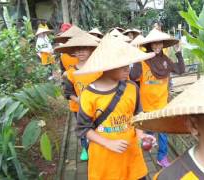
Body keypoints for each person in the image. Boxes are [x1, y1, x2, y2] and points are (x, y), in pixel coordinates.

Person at [75, 34, 156, 180]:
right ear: (106, 66)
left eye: (128, 64)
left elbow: (137, 115)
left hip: (131, 155)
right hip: (104, 158)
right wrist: (108, 143)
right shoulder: (89, 94)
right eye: (122, 65)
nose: (128, 69)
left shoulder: (132, 88)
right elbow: (83, 128)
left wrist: (141, 135)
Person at [130, 28, 185, 168]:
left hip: (162, 105)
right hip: (145, 106)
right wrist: (137, 56)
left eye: (159, 43)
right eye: (153, 43)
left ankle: (162, 157)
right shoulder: (143, 61)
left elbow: (180, 70)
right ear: (149, 45)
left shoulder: (165, 61)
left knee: (163, 134)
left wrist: (178, 52)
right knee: (144, 134)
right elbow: (133, 76)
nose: (157, 46)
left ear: (162, 44)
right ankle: (137, 158)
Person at [54, 33, 101, 161]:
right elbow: (68, 93)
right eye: (77, 49)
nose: (81, 52)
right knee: (83, 129)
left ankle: (98, 147)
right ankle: (85, 148)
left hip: (97, 107)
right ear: (73, 52)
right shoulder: (71, 73)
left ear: (91, 50)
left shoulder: (98, 69)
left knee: (97, 127)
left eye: (84, 48)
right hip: (78, 108)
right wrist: (79, 100)